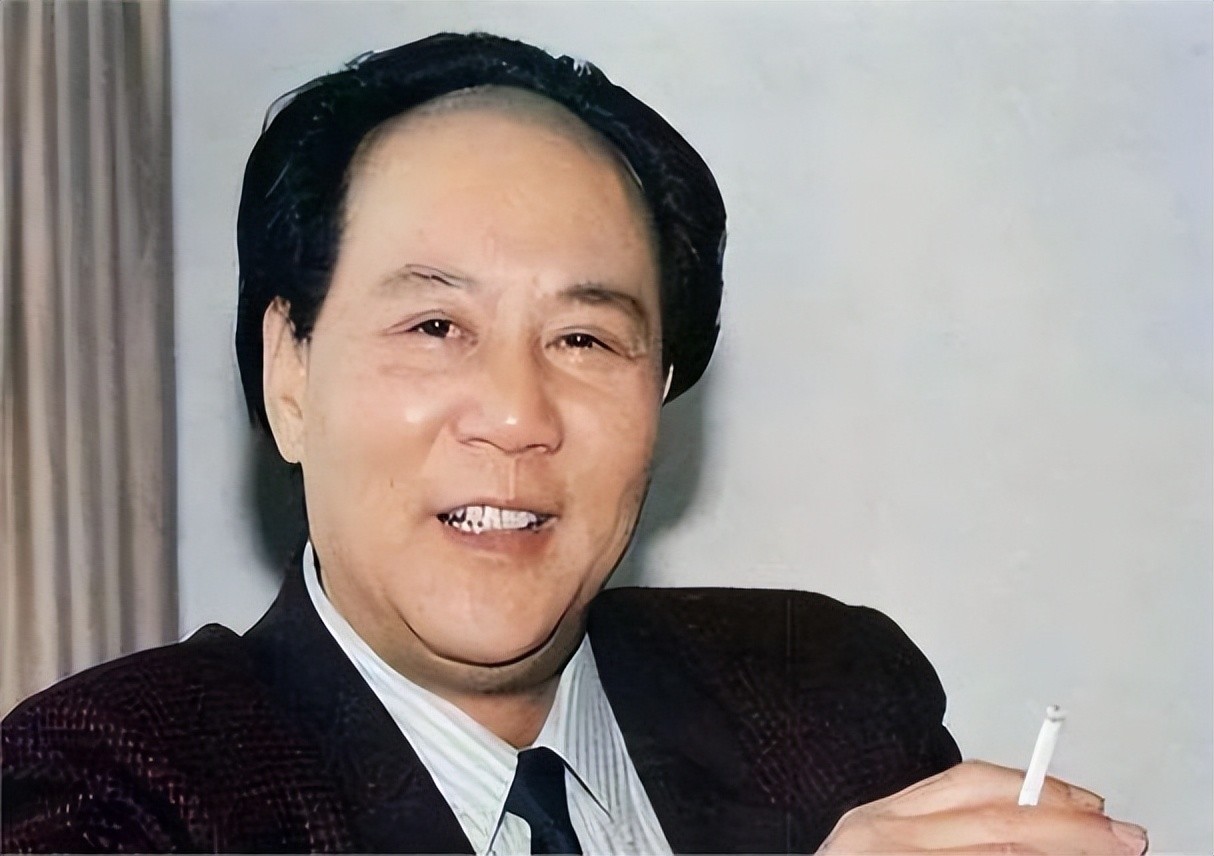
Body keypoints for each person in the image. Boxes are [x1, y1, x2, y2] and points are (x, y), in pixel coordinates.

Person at [2, 31, 1146, 855]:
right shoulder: (115, 784)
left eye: (584, 339)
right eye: (436, 326)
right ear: (289, 371)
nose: (515, 415)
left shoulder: (828, 692)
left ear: (660, 390)